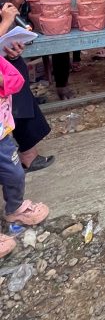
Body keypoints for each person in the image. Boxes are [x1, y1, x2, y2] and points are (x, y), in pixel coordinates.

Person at [0, 0, 53, 172]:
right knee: (15, 104)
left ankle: (27, 153)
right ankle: (25, 156)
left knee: (20, 98)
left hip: (6, 60)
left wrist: (12, 44)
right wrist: (6, 22)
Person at [0, 48, 49, 258]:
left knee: (15, 173)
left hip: (2, 134)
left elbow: (16, 81)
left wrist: (3, 81)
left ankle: (15, 207)